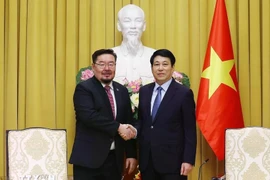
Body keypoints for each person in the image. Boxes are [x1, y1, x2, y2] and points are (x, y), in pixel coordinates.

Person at [69, 49, 137, 180]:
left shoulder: (121, 90)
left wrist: (131, 154)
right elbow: (89, 116)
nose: (107, 68)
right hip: (89, 160)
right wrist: (118, 127)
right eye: (101, 64)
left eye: (111, 64)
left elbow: (128, 121)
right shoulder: (84, 88)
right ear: (93, 66)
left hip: (114, 160)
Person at [135, 49, 197, 180]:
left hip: (173, 163)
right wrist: (133, 130)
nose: (160, 68)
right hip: (148, 161)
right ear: (152, 68)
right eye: (156, 64)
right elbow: (143, 121)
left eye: (165, 64)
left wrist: (188, 159)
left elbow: (190, 129)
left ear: (172, 67)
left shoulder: (183, 93)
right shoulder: (144, 91)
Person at [112, 4, 156, 85]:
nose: (133, 26)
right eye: (127, 21)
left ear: (144, 26)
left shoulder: (156, 56)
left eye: (138, 21)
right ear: (118, 25)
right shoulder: (107, 57)